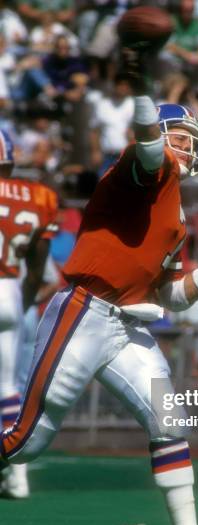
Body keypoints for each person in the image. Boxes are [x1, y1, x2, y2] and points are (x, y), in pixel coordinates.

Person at [0, 59, 198, 525]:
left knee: (169, 420)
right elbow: (149, 147)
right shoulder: (144, 168)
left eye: (188, 138)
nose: (186, 145)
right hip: (84, 312)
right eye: (179, 135)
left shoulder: (177, 213)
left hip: (128, 326)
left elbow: (172, 297)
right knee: (26, 441)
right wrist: (143, 87)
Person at [0, 129, 58, 498]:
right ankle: (16, 474)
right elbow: (36, 269)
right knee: (7, 388)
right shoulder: (39, 196)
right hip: (8, 291)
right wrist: (21, 303)